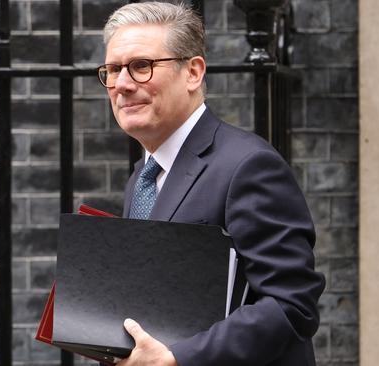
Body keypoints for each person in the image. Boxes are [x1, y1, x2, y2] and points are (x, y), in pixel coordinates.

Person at [96, 2, 326, 366]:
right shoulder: (142, 178)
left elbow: (291, 304)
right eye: (112, 70)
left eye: (141, 66)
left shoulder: (248, 166)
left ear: (193, 72)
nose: (122, 84)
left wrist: (177, 359)